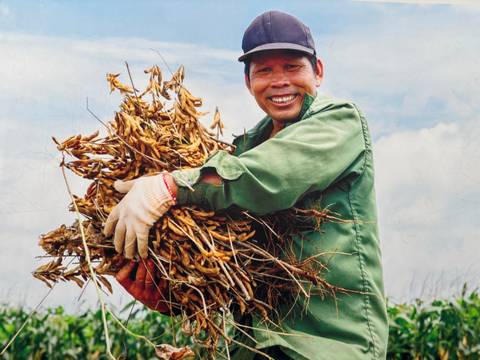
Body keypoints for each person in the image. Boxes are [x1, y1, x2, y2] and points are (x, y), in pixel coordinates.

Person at [104, 10, 389, 360]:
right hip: (255, 350)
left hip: (327, 348)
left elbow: (269, 176)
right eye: (264, 71)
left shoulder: (339, 122)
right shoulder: (244, 149)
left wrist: (170, 186)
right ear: (248, 82)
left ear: (318, 71)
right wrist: (178, 292)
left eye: (292, 67)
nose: (279, 81)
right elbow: (238, 264)